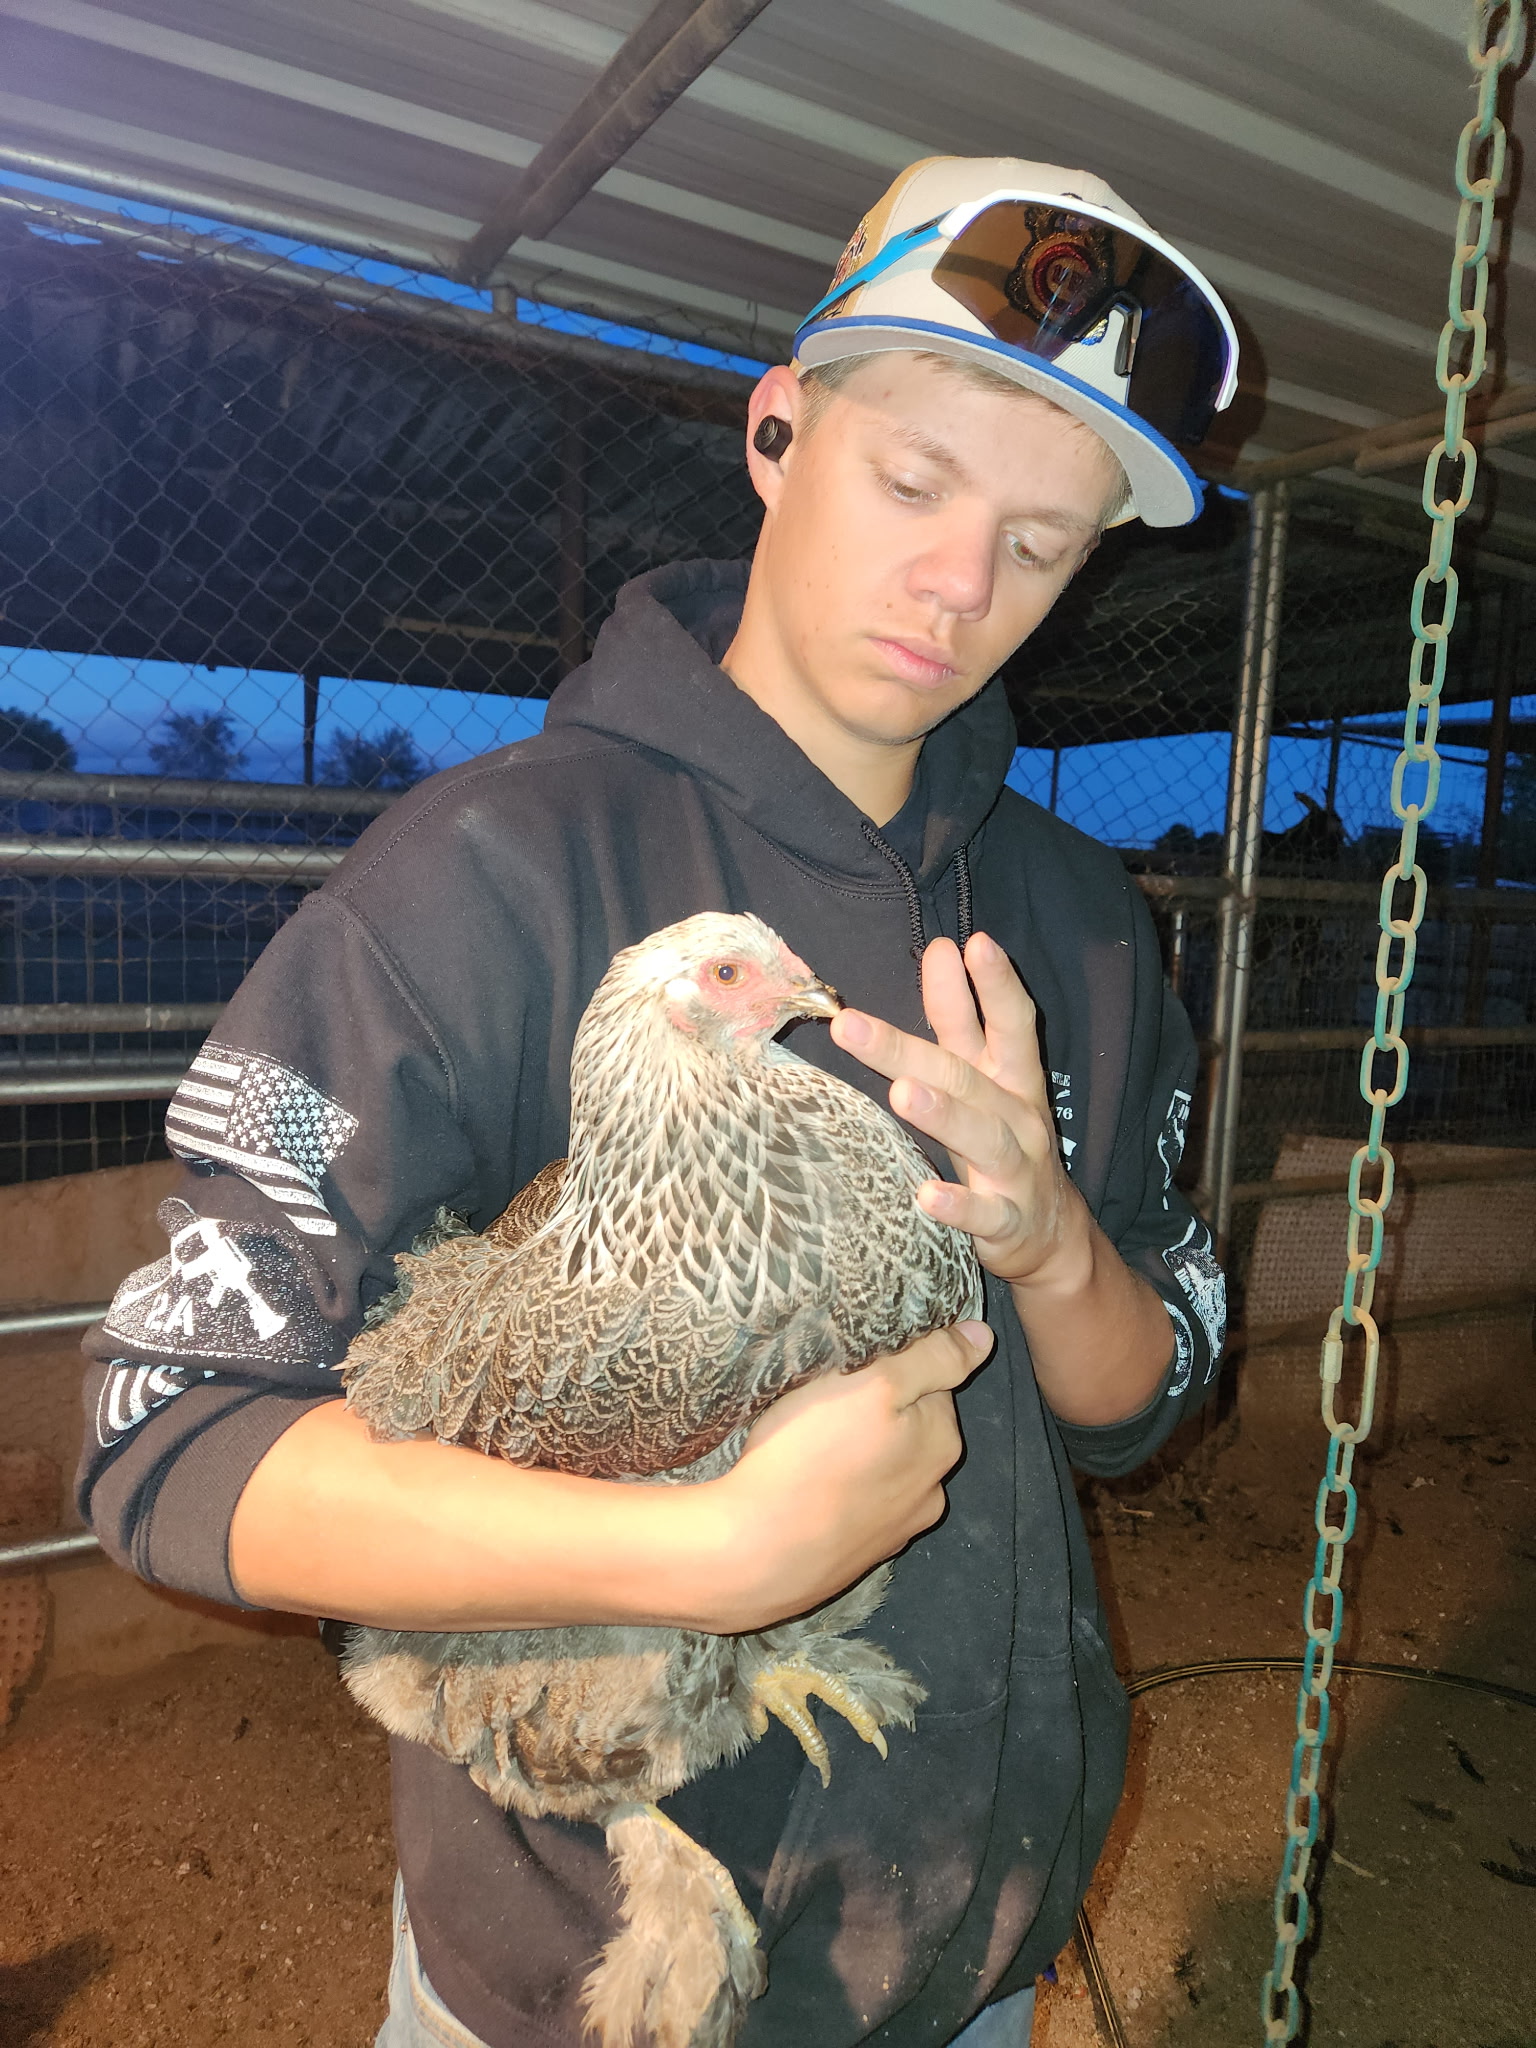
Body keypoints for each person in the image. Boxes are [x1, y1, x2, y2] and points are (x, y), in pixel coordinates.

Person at [79, 156, 1234, 2048]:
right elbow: (167, 1432)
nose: (961, 587)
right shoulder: (476, 879)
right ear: (779, 433)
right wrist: (705, 1556)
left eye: (1040, 545)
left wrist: (1049, 1246)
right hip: (596, 1970)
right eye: (914, 483)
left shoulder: (1084, 928)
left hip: (976, 1948)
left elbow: (1145, 1400)